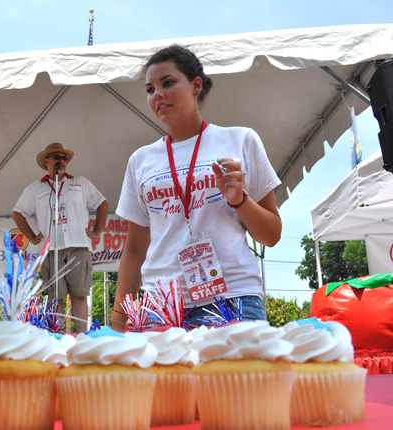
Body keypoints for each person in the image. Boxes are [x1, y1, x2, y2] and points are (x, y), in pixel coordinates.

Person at [112, 45, 282, 330]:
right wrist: (118, 321)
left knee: (237, 377)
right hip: (160, 307)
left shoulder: (240, 141)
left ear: (195, 85)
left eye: (167, 83)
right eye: (150, 89)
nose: (157, 95)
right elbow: (134, 249)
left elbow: (272, 234)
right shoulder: (140, 160)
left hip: (232, 299)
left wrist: (240, 200)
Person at [12, 142, 109, 333]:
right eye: (57, 157)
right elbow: (17, 212)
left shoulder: (80, 182)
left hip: (79, 245)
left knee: (80, 295)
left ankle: (82, 336)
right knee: (56, 297)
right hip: (50, 249)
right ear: (46, 162)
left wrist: (97, 231)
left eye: (64, 158)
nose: (62, 161)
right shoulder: (35, 189)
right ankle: (58, 336)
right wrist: (31, 237)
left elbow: (102, 203)